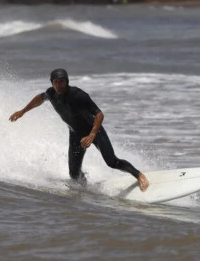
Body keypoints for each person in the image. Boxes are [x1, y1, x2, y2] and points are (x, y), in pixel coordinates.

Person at [9, 68, 149, 191]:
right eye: (56, 82)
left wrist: (92, 134)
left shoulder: (78, 95)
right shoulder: (51, 93)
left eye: (62, 81)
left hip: (95, 131)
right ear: (52, 82)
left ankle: (138, 175)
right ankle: (84, 187)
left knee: (111, 162)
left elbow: (99, 114)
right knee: (74, 174)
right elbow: (39, 99)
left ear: (67, 81)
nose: (59, 85)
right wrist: (23, 111)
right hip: (75, 135)